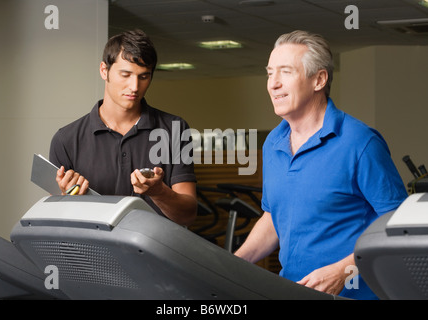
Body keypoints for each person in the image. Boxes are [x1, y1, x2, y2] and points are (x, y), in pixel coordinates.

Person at [234, 30, 408, 299]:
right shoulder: (273, 143)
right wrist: (232, 263)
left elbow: (398, 227)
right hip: (292, 291)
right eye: (270, 73)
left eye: (286, 72)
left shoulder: (359, 143)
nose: (273, 83)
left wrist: (342, 271)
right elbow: (273, 219)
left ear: (319, 79)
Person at [49, 29, 197, 226]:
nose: (134, 86)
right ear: (104, 70)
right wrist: (68, 197)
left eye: (144, 76)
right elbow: (57, 220)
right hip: (95, 253)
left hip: (156, 252)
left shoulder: (175, 129)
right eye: (125, 74)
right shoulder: (66, 139)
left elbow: (188, 214)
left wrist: (158, 192)